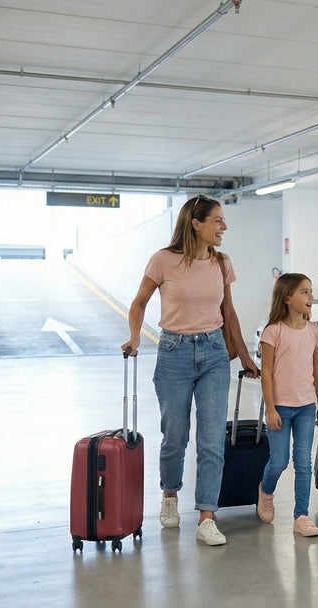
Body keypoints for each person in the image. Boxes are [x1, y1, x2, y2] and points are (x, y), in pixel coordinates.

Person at [122, 194, 259, 547]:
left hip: (214, 352)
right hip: (174, 353)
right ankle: (170, 495)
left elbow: (229, 312)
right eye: (217, 220)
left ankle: (206, 516)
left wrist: (243, 354)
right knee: (176, 436)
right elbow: (139, 303)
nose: (223, 227)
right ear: (195, 223)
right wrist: (135, 338)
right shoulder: (163, 261)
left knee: (212, 439)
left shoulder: (222, 263)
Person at [256, 273, 318, 537]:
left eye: (310, 291)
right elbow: (267, 373)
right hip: (281, 408)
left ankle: (301, 515)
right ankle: (266, 490)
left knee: (303, 463)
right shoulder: (273, 332)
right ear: (287, 298)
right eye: (304, 292)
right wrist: (270, 409)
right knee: (279, 461)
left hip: (306, 407)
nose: (311, 297)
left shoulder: (314, 332)